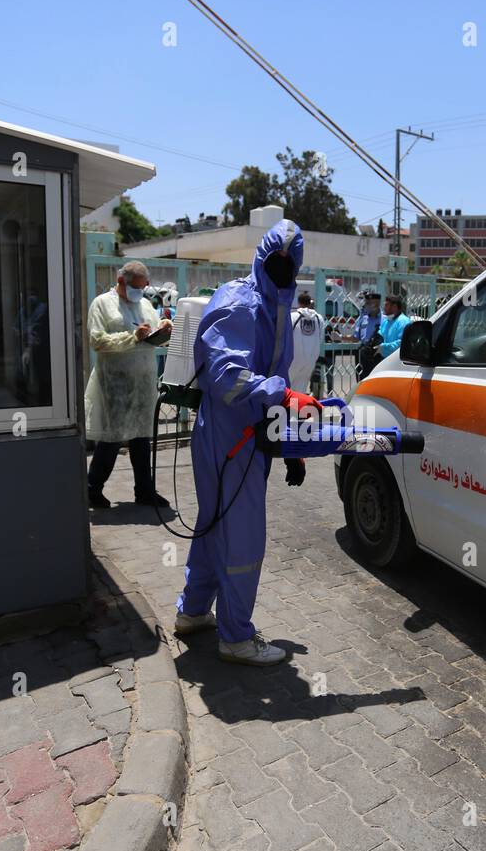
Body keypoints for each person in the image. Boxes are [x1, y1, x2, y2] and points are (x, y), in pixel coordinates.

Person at [173, 219, 319, 666]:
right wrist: (286, 396)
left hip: (249, 437)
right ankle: (236, 636)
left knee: (215, 527)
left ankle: (193, 613)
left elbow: (272, 374)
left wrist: (289, 449)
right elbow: (228, 378)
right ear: (261, 258)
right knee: (242, 537)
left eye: (289, 263)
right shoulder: (240, 302)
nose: (282, 269)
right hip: (226, 437)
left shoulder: (277, 304)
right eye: (276, 260)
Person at [85, 260, 172, 509]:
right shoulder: (102, 303)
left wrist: (164, 329)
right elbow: (97, 341)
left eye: (142, 288)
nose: (139, 292)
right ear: (120, 280)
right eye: (135, 287)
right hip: (116, 382)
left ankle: (144, 491)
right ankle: (92, 488)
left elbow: (153, 338)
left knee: (142, 438)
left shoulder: (145, 304)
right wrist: (131, 337)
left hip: (144, 381)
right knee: (112, 438)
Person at [289, 291, 324, 395]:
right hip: (310, 360)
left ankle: (287, 410)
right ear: (310, 303)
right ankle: (294, 411)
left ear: (298, 303)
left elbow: (286, 338)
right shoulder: (319, 318)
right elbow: (320, 339)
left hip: (293, 359)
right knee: (300, 390)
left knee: (287, 389)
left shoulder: (292, 316)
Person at [378, 294, 412, 360]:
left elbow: (402, 343)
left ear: (394, 307)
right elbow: (380, 335)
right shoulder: (386, 321)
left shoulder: (403, 321)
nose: (384, 308)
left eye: (386, 305)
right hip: (384, 360)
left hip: (397, 361)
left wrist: (383, 348)